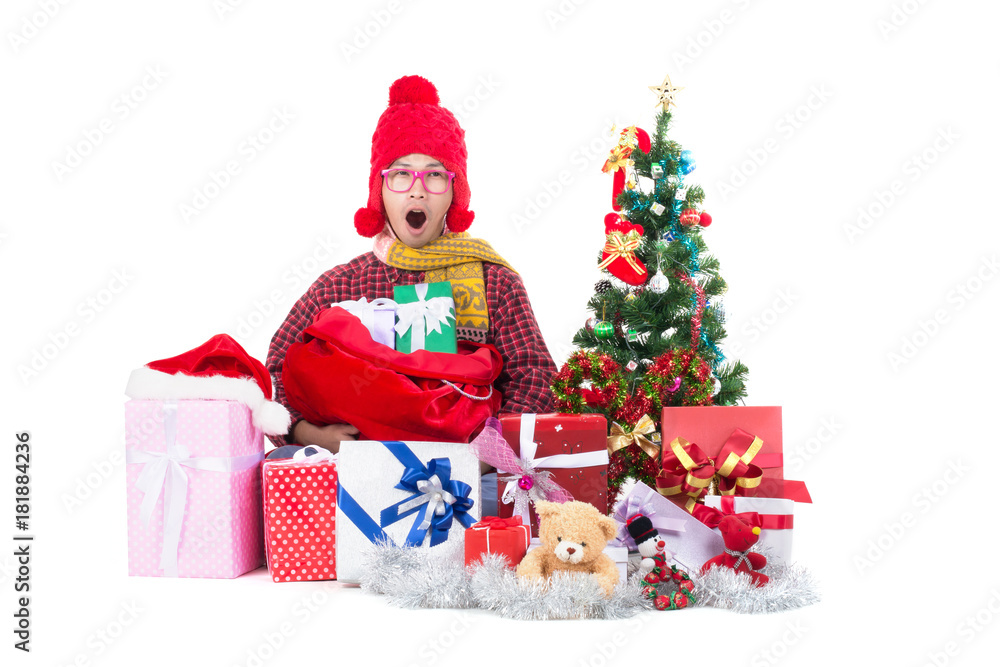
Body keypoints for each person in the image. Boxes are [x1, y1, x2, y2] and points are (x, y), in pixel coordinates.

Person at [266, 74, 556, 454]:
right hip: (354, 481)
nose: (418, 189)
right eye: (401, 173)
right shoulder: (338, 287)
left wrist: (486, 454)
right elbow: (275, 372)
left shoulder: (494, 283)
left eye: (435, 174)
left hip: (469, 482)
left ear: (454, 192)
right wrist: (306, 434)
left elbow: (535, 378)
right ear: (380, 189)